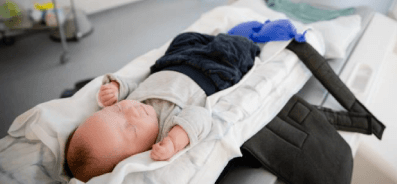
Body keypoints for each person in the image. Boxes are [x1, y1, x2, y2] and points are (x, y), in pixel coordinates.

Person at [65, 32, 260, 182]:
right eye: (131, 129)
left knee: (184, 38)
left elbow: (134, 86)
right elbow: (200, 116)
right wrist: (175, 141)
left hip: (172, 62)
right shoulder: (166, 130)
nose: (132, 111)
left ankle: (215, 38)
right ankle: (252, 35)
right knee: (235, 49)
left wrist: (116, 88)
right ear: (136, 155)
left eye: (118, 110)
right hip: (213, 73)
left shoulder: (134, 103)